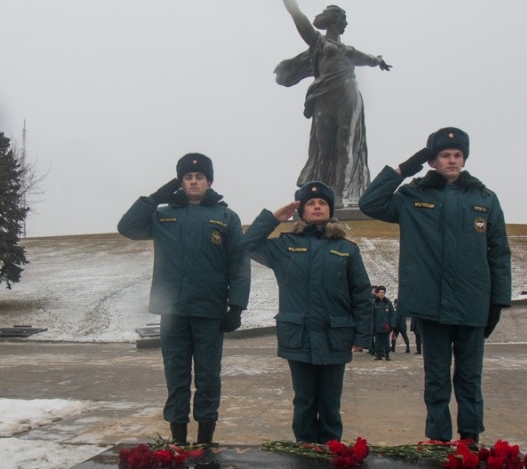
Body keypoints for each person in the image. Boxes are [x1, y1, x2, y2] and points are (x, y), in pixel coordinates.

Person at [359, 127, 512, 444]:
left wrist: (498, 302)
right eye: (444, 155)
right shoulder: (413, 196)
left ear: (464, 158)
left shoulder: (485, 199)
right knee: (437, 377)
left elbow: (499, 253)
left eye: (457, 155)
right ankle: (438, 437)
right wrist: (405, 167)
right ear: (433, 160)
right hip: (431, 304)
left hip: (473, 304)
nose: (452, 160)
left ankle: (470, 437)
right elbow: (369, 203)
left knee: (469, 376)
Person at [118, 153, 251, 446]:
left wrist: (237, 307)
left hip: (209, 312)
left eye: (199, 177)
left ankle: (204, 441)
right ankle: (177, 442)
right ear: (180, 182)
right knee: (176, 377)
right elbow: (126, 227)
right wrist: (154, 198)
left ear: (209, 181)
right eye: (188, 177)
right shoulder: (162, 214)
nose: (194, 181)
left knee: (208, 378)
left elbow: (239, 263)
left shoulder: (225, 216)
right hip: (173, 312)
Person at [242, 181, 372, 443]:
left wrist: (362, 335)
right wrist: (272, 219)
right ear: (302, 211)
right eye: (311, 203)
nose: (316, 207)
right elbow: (246, 245)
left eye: (322, 203)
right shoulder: (285, 245)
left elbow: (361, 293)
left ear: (329, 210)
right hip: (298, 335)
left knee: (329, 401)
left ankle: (331, 447)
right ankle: (305, 449)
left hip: (335, 335)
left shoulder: (347, 248)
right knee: (304, 399)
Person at [272, 0, 391, 204]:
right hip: (324, 96)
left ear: (334, 20)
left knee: (345, 146)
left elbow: (368, 59)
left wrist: (378, 60)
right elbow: (297, 15)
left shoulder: (348, 50)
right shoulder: (318, 43)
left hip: (348, 95)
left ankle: (340, 197)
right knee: (324, 148)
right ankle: (321, 195)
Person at [371, 286, 395, 360]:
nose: (381, 294)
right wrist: (372, 325)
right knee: (377, 341)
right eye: (380, 292)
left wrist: (392, 325)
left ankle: (387, 354)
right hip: (377, 326)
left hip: (386, 326)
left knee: (386, 341)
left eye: (383, 292)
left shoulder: (388, 303)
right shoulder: (374, 303)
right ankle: (378, 355)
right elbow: (372, 315)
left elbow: (392, 315)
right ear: (377, 293)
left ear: (385, 293)